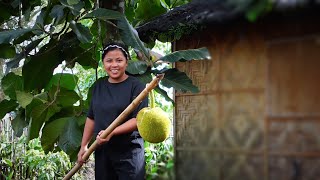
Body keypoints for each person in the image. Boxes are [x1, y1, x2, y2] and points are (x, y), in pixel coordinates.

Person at [77, 42, 148, 180]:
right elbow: (91, 117)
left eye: (119, 60)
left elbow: (139, 119)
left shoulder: (137, 86)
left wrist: (112, 132)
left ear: (126, 62)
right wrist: (84, 146)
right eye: (109, 61)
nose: (114, 65)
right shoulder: (98, 86)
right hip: (103, 153)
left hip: (129, 153)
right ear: (103, 63)